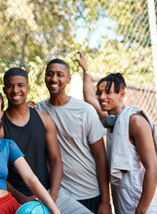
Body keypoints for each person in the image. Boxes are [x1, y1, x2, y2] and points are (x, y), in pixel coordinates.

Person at [0, 67, 93, 214]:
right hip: (17, 198)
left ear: (28, 88)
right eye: (10, 86)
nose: (15, 90)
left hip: (49, 193)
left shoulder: (44, 119)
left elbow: (56, 161)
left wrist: (52, 196)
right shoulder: (0, 127)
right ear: (4, 90)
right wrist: (23, 199)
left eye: (20, 85)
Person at [77, 52, 157, 214]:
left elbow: (153, 169)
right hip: (124, 202)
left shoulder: (135, 121)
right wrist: (86, 70)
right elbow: (89, 96)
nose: (102, 97)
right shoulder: (111, 120)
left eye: (108, 92)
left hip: (143, 206)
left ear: (122, 94)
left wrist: (141, 212)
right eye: (100, 93)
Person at [30, 59, 111, 213]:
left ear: (68, 79)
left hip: (89, 192)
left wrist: (106, 201)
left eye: (60, 75)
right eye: (50, 74)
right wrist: (23, 108)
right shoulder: (37, 110)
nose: (54, 79)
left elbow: (101, 157)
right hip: (59, 195)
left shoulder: (85, 110)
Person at [0, 88, 60, 214]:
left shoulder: (7, 145)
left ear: (0, 115)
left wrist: (54, 210)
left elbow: (30, 178)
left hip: (7, 207)